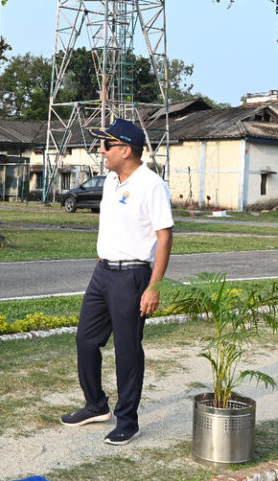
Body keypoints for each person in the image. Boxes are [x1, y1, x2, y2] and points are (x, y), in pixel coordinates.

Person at [59, 118, 173, 446]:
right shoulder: (111, 181)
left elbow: (164, 238)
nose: (101, 150)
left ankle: (128, 421)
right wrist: (102, 258)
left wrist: (154, 286)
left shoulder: (151, 185)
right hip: (103, 273)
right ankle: (96, 405)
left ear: (125, 149)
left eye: (106, 145)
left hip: (133, 276)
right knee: (86, 339)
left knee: (127, 350)